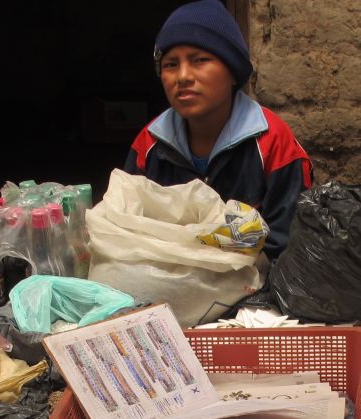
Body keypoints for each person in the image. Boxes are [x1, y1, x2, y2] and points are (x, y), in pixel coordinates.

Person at [125, 0, 313, 258]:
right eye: (171, 64)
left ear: (233, 72)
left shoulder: (273, 145)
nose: (183, 77)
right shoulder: (149, 144)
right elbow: (127, 232)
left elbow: (287, 246)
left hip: (255, 291)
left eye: (199, 60)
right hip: (169, 286)